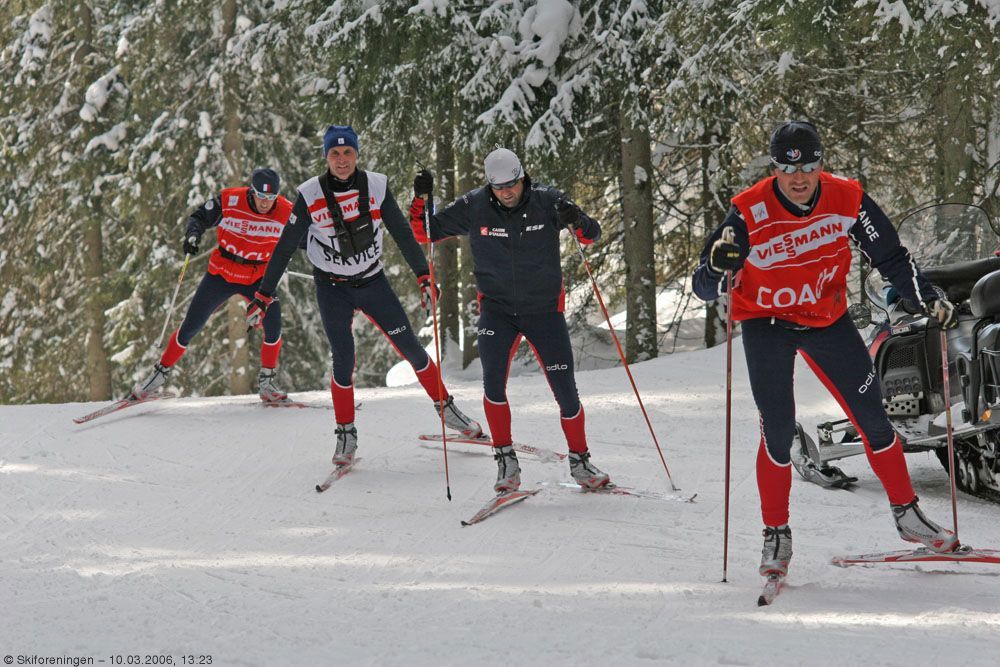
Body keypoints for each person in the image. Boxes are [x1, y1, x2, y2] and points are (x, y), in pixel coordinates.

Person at [692, 120, 959, 579]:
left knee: (873, 418)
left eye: (809, 167)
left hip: (826, 319)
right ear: (774, 168)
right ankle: (776, 533)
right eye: (786, 169)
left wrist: (926, 296)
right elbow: (704, 283)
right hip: (767, 324)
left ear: (821, 166)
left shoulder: (847, 198)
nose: (798, 179)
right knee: (777, 432)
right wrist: (720, 268)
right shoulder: (747, 212)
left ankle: (907, 514)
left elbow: (892, 256)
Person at [245, 125, 481, 466]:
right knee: (343, 359)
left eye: (348, 153)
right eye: (335, 154)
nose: (342, 160)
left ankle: (448, 411)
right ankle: (345, 435)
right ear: (326, 157)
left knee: (413, 350)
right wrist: (264, 296)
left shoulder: (376, 185)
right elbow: (283, 249)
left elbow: (401, 232)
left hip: (373, 283)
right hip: (331, 287)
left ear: (357, 154)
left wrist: (424, 277)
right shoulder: (310, 194)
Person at [408, 147, 611, 493]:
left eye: (512, 184)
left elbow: (592, 235)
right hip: (497, 311)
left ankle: (580, 461)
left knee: (566, 392)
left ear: (522, 177)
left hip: (544, 311)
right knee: (493, 384)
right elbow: (425, 232)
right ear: (490, 185)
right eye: (499, 187)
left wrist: (576, 217)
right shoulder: (475, 205)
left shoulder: (548, 201)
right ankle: (505, 461)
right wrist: (420, 199)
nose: (507, 192)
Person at [132, 168, 293, 403]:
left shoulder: (286, 211)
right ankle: (156, 377)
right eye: (260, 196)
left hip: (258, 277)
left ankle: (267, 384)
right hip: (222, 273)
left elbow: (304, 237)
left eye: (271, 198)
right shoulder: (231, 200)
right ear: (251, 191)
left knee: (274, 325)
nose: (265, 203)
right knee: (191, 325)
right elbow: (199, 217)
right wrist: (192, 235)